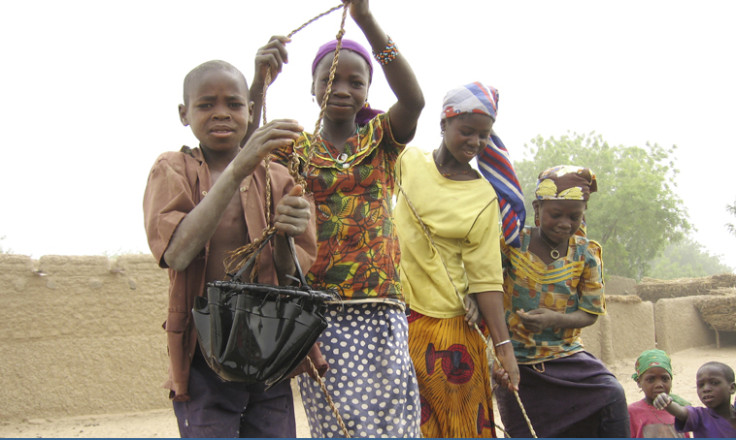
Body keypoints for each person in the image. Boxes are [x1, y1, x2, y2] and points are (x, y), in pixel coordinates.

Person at [142, 47, 319, 437]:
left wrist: (285, 236)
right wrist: (240, 166)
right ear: (184, 113)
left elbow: (292, 273)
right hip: (203, 352)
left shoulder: (278, 179)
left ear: (248, 109)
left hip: (269, 347)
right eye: (206, 104)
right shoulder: (173, 169)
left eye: (234, 104)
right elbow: (177, 252)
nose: (221, 112)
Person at [269, 0, 424, 436]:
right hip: (321, 309)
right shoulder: (293, 148)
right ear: (313, 88)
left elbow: (414, 99)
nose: (342, 87)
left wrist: (367, 21)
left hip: (382, 303)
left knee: (394, 417)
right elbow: (245, 149)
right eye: (330, 78)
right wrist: (259, 82)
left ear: (368, 91)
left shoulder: (382, 139)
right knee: (341, 422)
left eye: (356, 81)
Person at [393, 82, 520, 437]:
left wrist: (503, 347)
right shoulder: (408, 163)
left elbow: (486, 279)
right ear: (443, 124)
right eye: (467, 131)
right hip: (397, 319)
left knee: (462, 426)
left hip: (452, 330)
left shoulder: (481, 197)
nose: (475, 142)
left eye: (483, 135)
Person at [493, 165, 631, 438]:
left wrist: (554, 319)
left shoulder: (586, 254)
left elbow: (590, 313)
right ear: (537, 208)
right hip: (515, 360)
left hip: (565, 357)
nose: (565, 223)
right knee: (525, 431)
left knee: (611, 392)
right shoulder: (511, 242)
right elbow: (487, 286)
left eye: (574, 216)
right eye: (556, 214)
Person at [653, 361, 736, 438]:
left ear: (732, 388)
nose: (706, 389)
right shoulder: (699, 416)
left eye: (714, 383)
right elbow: (682, 412)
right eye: (701, 385)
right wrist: (667, 403)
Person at [628, 349, 691, 438]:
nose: (659, 385)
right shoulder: (632, 413)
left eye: (665, 379)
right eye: (651, 379)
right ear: (639, 382)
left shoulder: (680, 410)